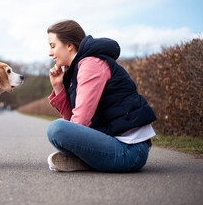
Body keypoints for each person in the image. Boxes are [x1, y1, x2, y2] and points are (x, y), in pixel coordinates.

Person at [46, 20, 156, 172]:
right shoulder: (75, 71)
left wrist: (66, 136)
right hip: (114, 143)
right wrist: (58, 86)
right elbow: (71, 121)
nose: (50, 53)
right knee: (59, 130)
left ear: (69, 46)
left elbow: (78, 123)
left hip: (130, 150)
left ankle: (87, 161)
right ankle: (90, 162)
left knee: (56, 129)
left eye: (53, 46)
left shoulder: (90, 65)